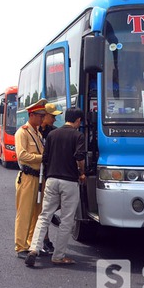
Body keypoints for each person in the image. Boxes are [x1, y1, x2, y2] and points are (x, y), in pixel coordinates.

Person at [25, 107, 86, 267]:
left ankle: (33, 249)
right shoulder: (78, 135)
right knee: (66, 220)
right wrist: (82, 172)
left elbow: (45, 158)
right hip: (69, 182)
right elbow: (79, 157)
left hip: (51, 179)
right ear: (78, 121)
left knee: (44, 215)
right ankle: (58, 256)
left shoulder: (52, 135)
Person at [14, 98, 47, 259]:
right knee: (25, 212)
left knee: (37, 213)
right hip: (27, 177)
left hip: (39, 178)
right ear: (32, 115)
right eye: (40, 116)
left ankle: (31, 244)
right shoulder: (22, 132)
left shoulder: (37, 133)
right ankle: (21, 246)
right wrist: (43, 157)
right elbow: (22, 155)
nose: (42, 119)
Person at [38, 102, 64, 252]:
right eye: (52, 116)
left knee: (49, 207)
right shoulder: (33, 132)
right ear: (44, 116)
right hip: (36, 175)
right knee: (41, 210)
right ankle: (44, 240)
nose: (55, 119)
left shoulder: (53, 132)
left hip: (50, 173)